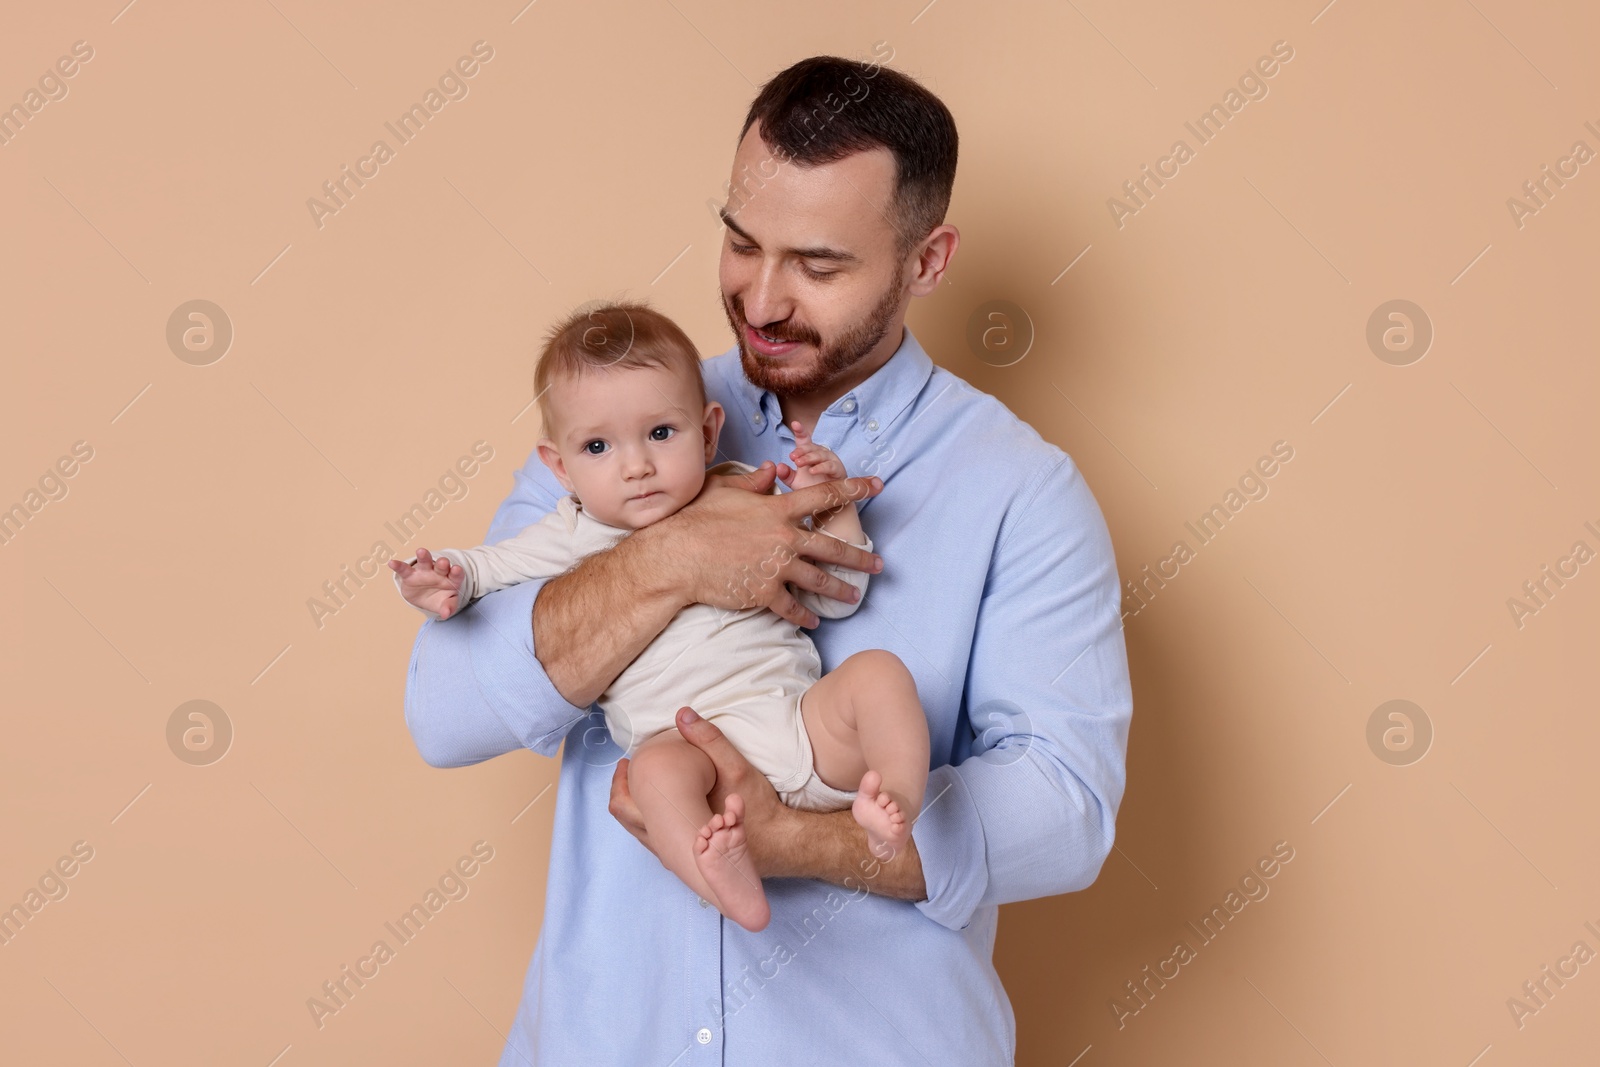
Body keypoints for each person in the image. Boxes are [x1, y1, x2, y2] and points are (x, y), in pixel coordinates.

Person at [402, 54, 1132, 1065]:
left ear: (927, 261)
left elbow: (1066, 814)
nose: (763, 297)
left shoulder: (1019, 490)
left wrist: (803, 841)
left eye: (819, 265)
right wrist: (673, 560)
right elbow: (445, 712)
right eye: (742, 243)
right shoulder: (620, 420)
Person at [390, 301, 930, 932]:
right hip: (689, 750)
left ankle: (892, 803)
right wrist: (441, 578)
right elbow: (488, 567)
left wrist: (835, 509)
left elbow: (837, 591)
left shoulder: (745, 496)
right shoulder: (568, 535)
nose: (636, 465)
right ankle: (726, 885)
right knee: (650, 773)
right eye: (597, 446)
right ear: (560, 468)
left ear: (707, 432)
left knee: (878, 675)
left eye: (661, 434)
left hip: (797, 728)